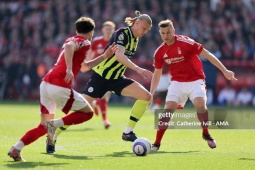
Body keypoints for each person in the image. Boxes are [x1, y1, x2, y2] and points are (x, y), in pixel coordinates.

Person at [7, 16, 117, 161]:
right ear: (91, 32)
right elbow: (71, 46)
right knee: (88, 113)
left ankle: (16, 148)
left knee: (43, 127)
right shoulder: (84, 41)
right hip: (59, 85)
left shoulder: (73, 40)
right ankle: (54, 124)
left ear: (76, 29)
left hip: (46, 84)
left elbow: (84, 67)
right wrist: (69, 69)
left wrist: (104, 56)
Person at [48, 11, 153, 153]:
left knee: (146, 96)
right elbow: (119, 56)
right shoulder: (122, 34)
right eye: (144, 29)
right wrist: (137, 69)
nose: (145, 32)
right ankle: (54, 132)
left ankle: (128, 132)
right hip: (100, 78)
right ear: (137, 23)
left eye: (147, 30)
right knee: (80, 110)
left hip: (116, 78)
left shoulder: (136, 39)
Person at [150, 19, 237, 151]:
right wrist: (151, 93)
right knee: (168, 108)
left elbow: (207, 54)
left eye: (168, 32)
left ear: (173, 31)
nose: (166, 36)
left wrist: (224, 70)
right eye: (163, 33)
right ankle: (156, 143)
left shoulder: (186, 42)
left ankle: (206, 133)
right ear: (160, 34)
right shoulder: (160, 52)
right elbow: (157, 74)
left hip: (196, 79)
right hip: (177, 82)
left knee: (200, 103)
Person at [88, 21, 116, 129]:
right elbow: (90, 55)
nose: (108, 30)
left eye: (110, 29)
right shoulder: (96, 41)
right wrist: (87, 64)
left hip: (110, 71)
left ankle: (95, 104)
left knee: (106, 96)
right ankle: (105, 121)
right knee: (104, 95)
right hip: (97, 71)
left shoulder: (115, 42)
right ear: (102, 30)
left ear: (113, 31)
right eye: (106, 28)